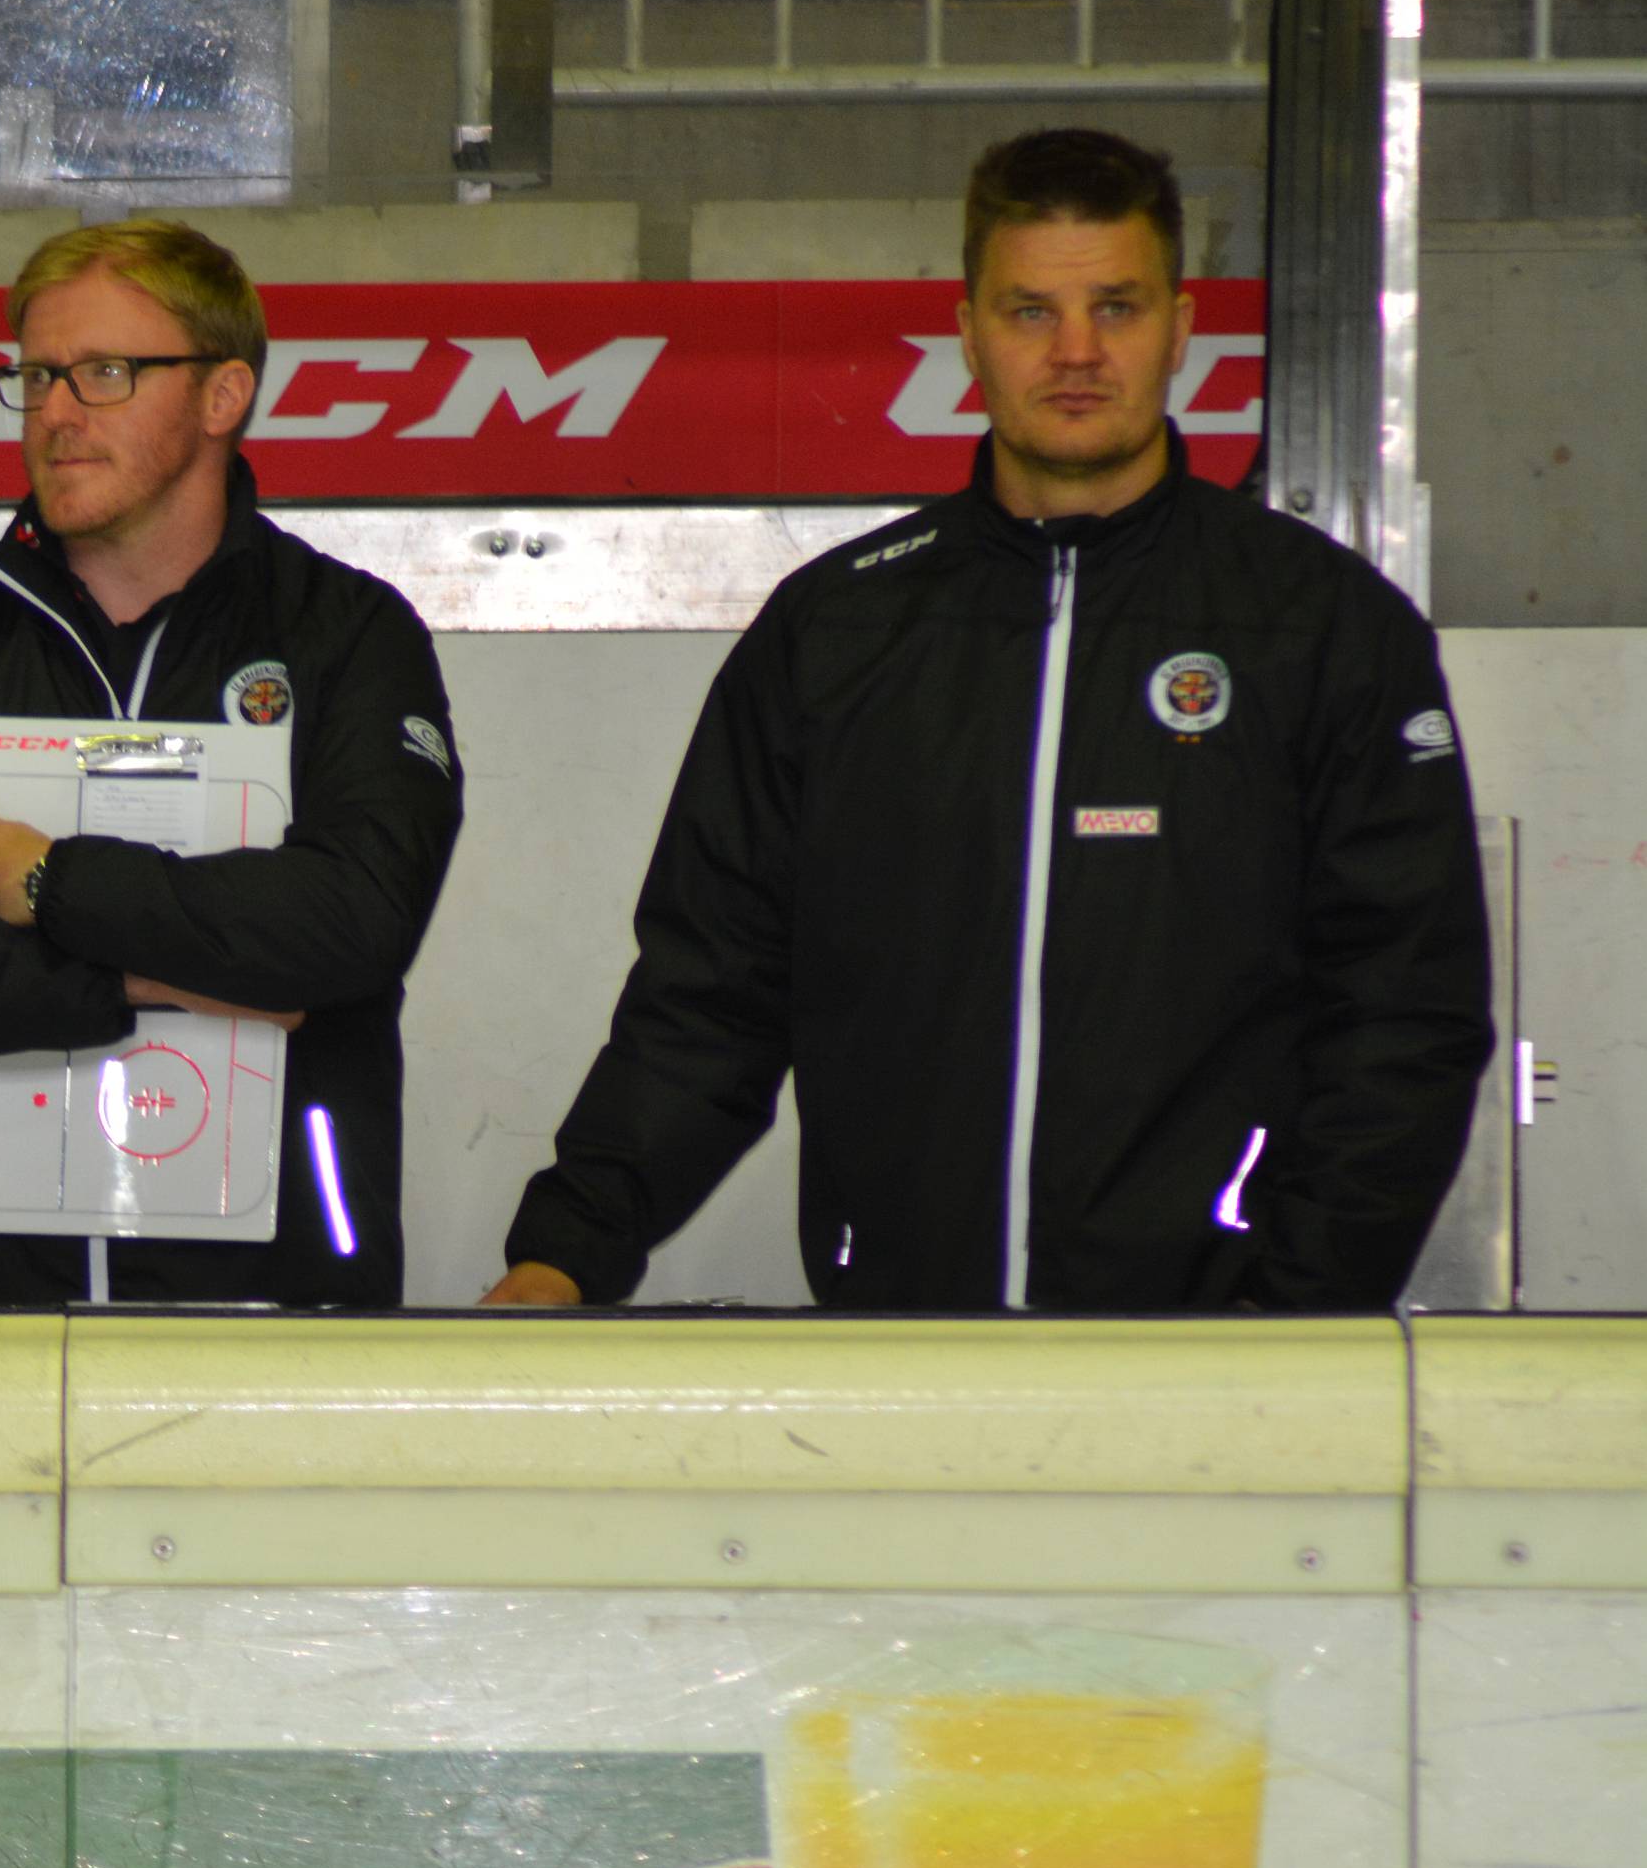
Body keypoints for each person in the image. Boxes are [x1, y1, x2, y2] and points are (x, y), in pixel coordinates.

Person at [489, 128, 1492, 1313]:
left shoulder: (1323, 629)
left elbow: (1404, 1018)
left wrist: (1290, 1313)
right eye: (1030, 313)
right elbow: (711, 996)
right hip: (906, 1352)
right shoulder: (837, 635)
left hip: (1223, 1360)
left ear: (1179, 328)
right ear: (968, 335)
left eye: (1115, 308)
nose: (1077, 352)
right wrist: (565, 1254)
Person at [0, 218, 465, 1303]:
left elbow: (353, 922)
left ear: (222, 395)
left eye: (105, 373)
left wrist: (48, 884)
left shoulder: (346, 634)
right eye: (36, 376)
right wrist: (142, 975)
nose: (56, 411)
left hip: (278, 1313)